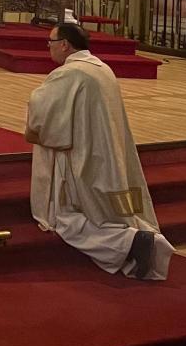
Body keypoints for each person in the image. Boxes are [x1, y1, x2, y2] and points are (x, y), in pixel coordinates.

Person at [26, 23, 174, 280]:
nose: (48, 47)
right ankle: (134, 236)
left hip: (82, 160)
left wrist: (32, 118)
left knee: (65, 219)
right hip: (108, 157)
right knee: (109, 212)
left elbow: (43, 113)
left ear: (65, 44)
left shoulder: (69, 74)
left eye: (50, 41)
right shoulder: (102, 68)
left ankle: (127, 242)